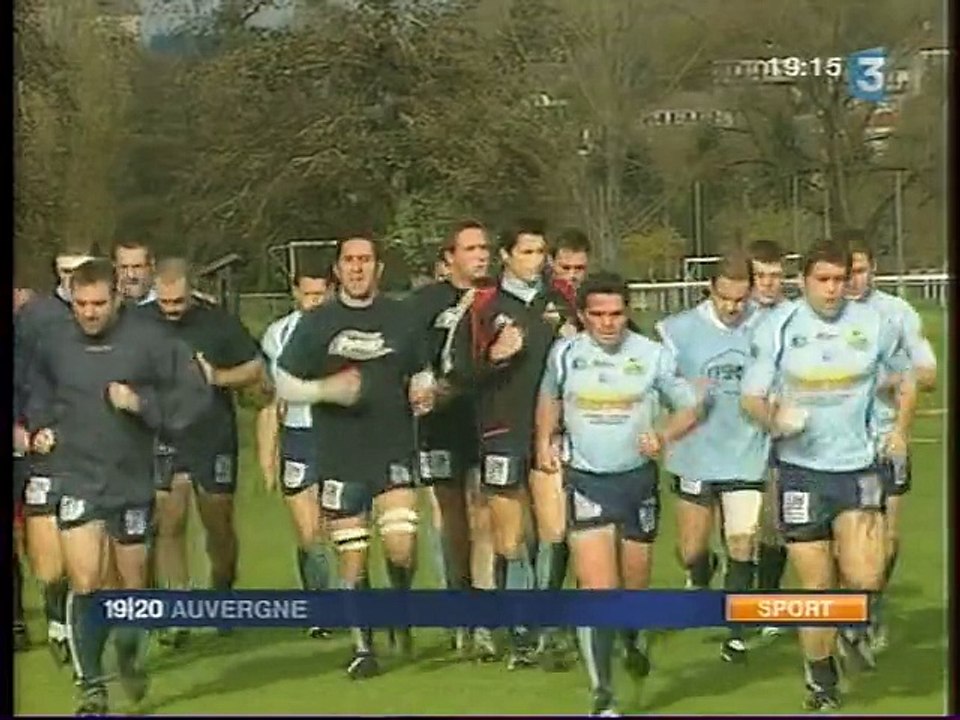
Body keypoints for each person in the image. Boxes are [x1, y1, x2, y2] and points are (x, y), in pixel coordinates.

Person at [22, 258, 212, 715]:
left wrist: (142, 404)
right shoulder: (53, 342)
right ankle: (91, 688)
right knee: (86, 580)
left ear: (118, 299)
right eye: (81, 304)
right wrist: (40, 427)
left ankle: (128, 654)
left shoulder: (151, 341)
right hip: (76, 475)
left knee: (131, 586)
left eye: (98, 304)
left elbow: (193, 396)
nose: (89, 313)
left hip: (130, 479)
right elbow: (36, 391)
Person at [741, 240, 917, 711]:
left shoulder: (874, 325)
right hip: (800, 473)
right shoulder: (778, 327)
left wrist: (899, 431)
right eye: (823, 279)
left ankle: (852, 624)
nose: (834, 289)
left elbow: (906, 380)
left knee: (867, 572)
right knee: (815, 586)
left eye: (840, 279)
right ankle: (821, 683)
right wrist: (776, 421)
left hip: (858, 466)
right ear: (804, 281)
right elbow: (751, 398)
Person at [536, 272, 699, 716]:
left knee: (633, 585)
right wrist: (544, 438)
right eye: (598, 315)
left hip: (637, 483)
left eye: (616, 314)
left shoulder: (651, 355)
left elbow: (689, 407)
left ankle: (631, 635)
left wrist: (662, 434)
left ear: (628, 313)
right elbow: (549, 396)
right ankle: (602, 695)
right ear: (583, 315)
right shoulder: (566, 353)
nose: (608, 323)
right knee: (598, 591)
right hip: (587, 479)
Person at [275, 234, 433, 679]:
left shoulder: (401, 317)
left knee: (401, 546)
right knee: (353, 556)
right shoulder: (317, 323)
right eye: (350, 260)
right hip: (339, 453)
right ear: (338, 269)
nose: (358, 268)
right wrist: (326, 390)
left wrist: (422, 390)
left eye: (365, 260)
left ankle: (399, 604)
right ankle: (364, 649)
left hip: (393, 446)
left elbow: (420, 369)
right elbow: (283, 382)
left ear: (378, 268)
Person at [450, 218, 577, 670]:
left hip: (552, 432)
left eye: (540, 252)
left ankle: (544, 626)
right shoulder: (482, 305)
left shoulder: (561, 300)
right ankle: (523, 633)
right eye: (526, 252)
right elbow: (457, 371)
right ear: (505, 255)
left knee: (556, 531)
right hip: (500, 430)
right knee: (511, 537)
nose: (535, 261)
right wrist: (493, 356)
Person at [143, 258, 264, 646]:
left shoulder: (218, 322)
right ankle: (178, 609)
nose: (171, 309)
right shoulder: (138, 323)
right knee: (169, 521)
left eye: (178, 302)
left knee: (219, 525)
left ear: (191, 291)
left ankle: (222, 591)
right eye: (164, 302)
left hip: (212, 436)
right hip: (163, 435)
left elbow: (254, 369)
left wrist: (217, 377)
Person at [656, 253, 769, 663]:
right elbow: (659, 382)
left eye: (741, 299)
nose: (733, 307)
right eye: (725, 298)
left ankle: (735, 634)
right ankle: (700, 573)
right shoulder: (677, 330)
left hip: (747, 452)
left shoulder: (768, 326)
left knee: (743, 540)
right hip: (695, 453)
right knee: (692, 550)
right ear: (711, 290)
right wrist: (685, 395)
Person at [841, 229, 938, 650]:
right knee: (849, 534)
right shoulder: (821, 318)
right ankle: (852, 610)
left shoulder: (897, 313)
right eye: (846, 272)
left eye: (860, 270)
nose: (853, 280)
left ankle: (869, 604)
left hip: (886, 439)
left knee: (887, 538)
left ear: (874, 269)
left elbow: (928, 374)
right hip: (838, 443)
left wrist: (897, 379)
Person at [407, 220, 496, 659]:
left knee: (484, 514)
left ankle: (485, 613)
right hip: (440, 423)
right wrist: (421, 386)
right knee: (450, 516)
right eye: (471, 249)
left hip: (487, 418)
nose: (481, 256)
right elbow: (409, 356)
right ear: (450, 257)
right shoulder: (424, 303)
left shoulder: (498, 299)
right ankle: (457, 603)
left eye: (484, 248)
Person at [16, 242, 96, 665]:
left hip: (97, 449)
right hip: (44, 446)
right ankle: (56, 621)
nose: (71, 279)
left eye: (78, 270)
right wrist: (21, 425)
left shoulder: (113, 318)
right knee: (49, 559)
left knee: (96, 551)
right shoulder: (36, 318)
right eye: (64, 271)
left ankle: (96, 633)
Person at [257, 260, 335, 638]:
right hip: (299, 437)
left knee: (342, 528)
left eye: (321, 294)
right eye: (308, 294)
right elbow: (272, 401)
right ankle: (318, 608)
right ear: (295, 294)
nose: (315, 301)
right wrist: (267, 455)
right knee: (309, 531)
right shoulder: (278, 335)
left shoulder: (348, 331)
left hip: (340, 436)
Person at [746, 239, 796, 629]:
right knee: (735, 525)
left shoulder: (795, 318)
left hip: (778, 431)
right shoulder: (734, 317)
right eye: (760, 275)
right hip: (733, 434)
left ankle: (766, 603)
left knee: (773, 521)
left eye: (775, 275)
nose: (768, 283)